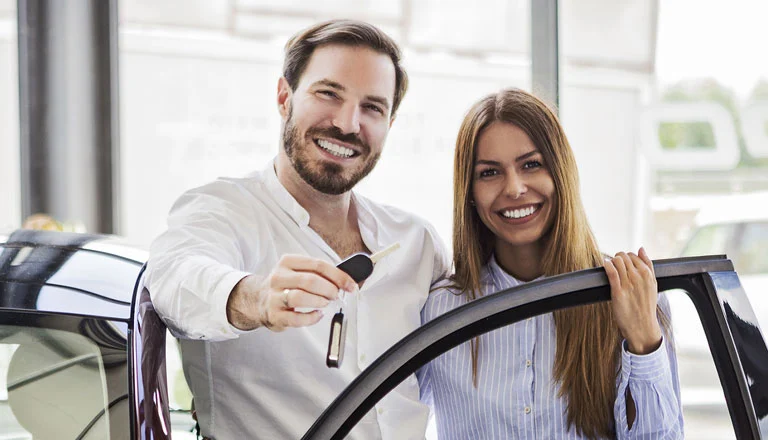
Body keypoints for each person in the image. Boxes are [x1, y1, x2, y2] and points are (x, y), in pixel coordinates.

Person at [145, 19, 449, 440]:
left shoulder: (418, 244)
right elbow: (172, 276)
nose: (347, 124)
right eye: (329, 94)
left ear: (389, 125)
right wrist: (256, 298)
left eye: (372, 108)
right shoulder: (222, 210)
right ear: (284, 97)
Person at [418, 88, 683, 439]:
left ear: (561, 173)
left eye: (531, 165)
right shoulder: (439, 311)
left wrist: (643, 340)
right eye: (489, 173)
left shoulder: (628, 294)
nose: (514, 188)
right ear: (469, 191)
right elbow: (387, 422)